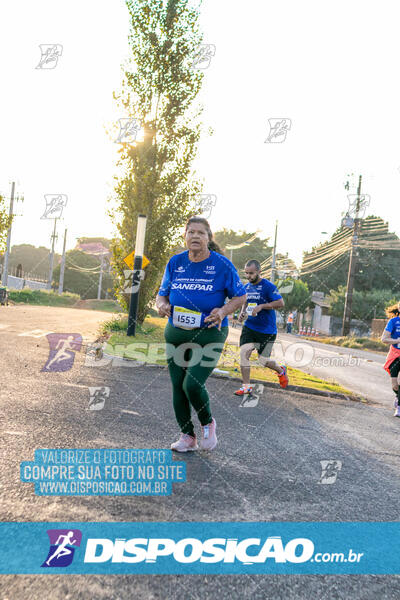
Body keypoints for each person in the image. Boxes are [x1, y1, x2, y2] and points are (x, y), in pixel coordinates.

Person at [156, 217, 247, 452]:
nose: (195, 236)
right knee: (178, 385)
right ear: (185, 236)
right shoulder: (175, 263)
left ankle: (208, 422)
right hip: (176, 332)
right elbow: (162, 294)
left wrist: (224, 310)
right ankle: (187, 436)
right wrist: (162, 304)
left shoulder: (222, 265)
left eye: (201, 233)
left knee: (192, 384)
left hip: (209, 333)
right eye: (191, 232)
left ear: (209, 238)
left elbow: (240, 296)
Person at [235, 259, 289, 396]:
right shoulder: (247, 287)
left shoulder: (268, 286)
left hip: (266, 330)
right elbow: (245, 302)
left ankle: (281, 370)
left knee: (263, 361)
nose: (248, 276)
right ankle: (246, 387)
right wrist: (242, 312)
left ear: (259, 272)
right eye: (246, 273)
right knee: (244, 354)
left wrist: (262, 306)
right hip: (250, 327)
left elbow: (280, 303)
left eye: (251, 273)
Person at [381, 302, 400, 417]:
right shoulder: (393, 322)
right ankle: (398, 396)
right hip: (395, 355)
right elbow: (384, 339)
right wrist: (397, 341)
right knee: (394, 384)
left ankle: (399, 407)